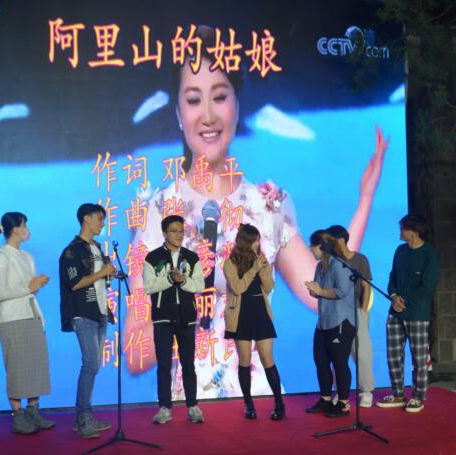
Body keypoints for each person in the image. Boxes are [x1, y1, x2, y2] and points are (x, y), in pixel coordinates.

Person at [125, 25, 389, 400]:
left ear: (237, 105)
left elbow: (327, 293)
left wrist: (365, 199)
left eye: (220, 96)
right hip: (188, 410)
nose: (208, 115)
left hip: (259, 408)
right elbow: (135, 356)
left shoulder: (267, 205)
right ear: (179, 114)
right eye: (194, 100)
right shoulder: (157, 213)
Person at [0, 212, 54, 434]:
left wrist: (36, 285)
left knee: (36, 364)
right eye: (24, 225)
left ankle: (33, 410)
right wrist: (30, 287)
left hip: (31, 313)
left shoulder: (27, 256)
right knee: (17, 367)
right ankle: (18, 415)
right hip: (12, 317)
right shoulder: (1, 256)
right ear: (15, 229)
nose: (27, 229)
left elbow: (29, 288)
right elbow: (1, 293)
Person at [59, 203, 116, 439]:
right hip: (83, 313)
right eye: (99, 218)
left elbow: (101, 282)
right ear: (86, 218)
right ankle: (83, 417)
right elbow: (75, 283)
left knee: (94, 365)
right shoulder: (72, 251)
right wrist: (102, 272)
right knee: (90, 364)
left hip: (100, 312)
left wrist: (108, 275)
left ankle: (84, 416)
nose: (102, 223)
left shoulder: (98, 248)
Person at [143, 215, 205, 424]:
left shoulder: (191, 257)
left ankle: (193, 406)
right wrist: (169, 278)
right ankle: (164, 407)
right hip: (163, 317)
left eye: (181, 231)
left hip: (186, 317)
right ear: (164, 233)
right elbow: (149, 287)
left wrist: (184, 280)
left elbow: (199, 285)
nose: (179, 235)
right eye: (174, 231)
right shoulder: (153, 257)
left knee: (188, 363)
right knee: (164, 364)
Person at [376, 215, 440, 413]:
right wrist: (394, 296)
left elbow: (428, 287)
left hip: (417, 313)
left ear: (414, 232)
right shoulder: (400, 251)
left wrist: (405, 301)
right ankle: (398, 394)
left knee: (419, 357)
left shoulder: (430, 254)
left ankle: (418, 396)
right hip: (395, 312)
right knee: (393, 355)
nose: (400, 231)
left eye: (403, 228)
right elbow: (392, 277)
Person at [223, 224, 284, 420]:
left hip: (260, 313)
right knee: (245, 361)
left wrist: (264, 268)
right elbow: (238, 287)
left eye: (259, 240)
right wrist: (253, 269)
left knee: (268, 360)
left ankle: (279, 403)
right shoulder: (230, 263)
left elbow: (269, 286)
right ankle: (248, 403)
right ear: (245, 242)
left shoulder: (260, 259)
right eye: (255, 241)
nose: (258, 244)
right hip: (240, 315)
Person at [304, 230, 356, 418]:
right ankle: (325, 399)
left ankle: (343, 403)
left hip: (340, 321)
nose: (310, 249)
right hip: (323, 321)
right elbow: (319, 290)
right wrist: (313, 290)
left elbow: (341, 291)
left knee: (340, 363)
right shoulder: (320, 266)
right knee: (320, 360)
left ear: (322, 246)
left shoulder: (340, 266)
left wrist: (320, 291)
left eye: (312, 245)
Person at [326, 224, 375, 407]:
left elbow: (366, 286)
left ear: (340, 240)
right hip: (337, 313)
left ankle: (366, 391)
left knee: (363, 354)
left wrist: (364, 311)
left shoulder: (360, 259)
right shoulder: (331, 261)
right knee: (338, 356)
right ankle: (340, 392)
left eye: (330, 241)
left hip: (356, 311)